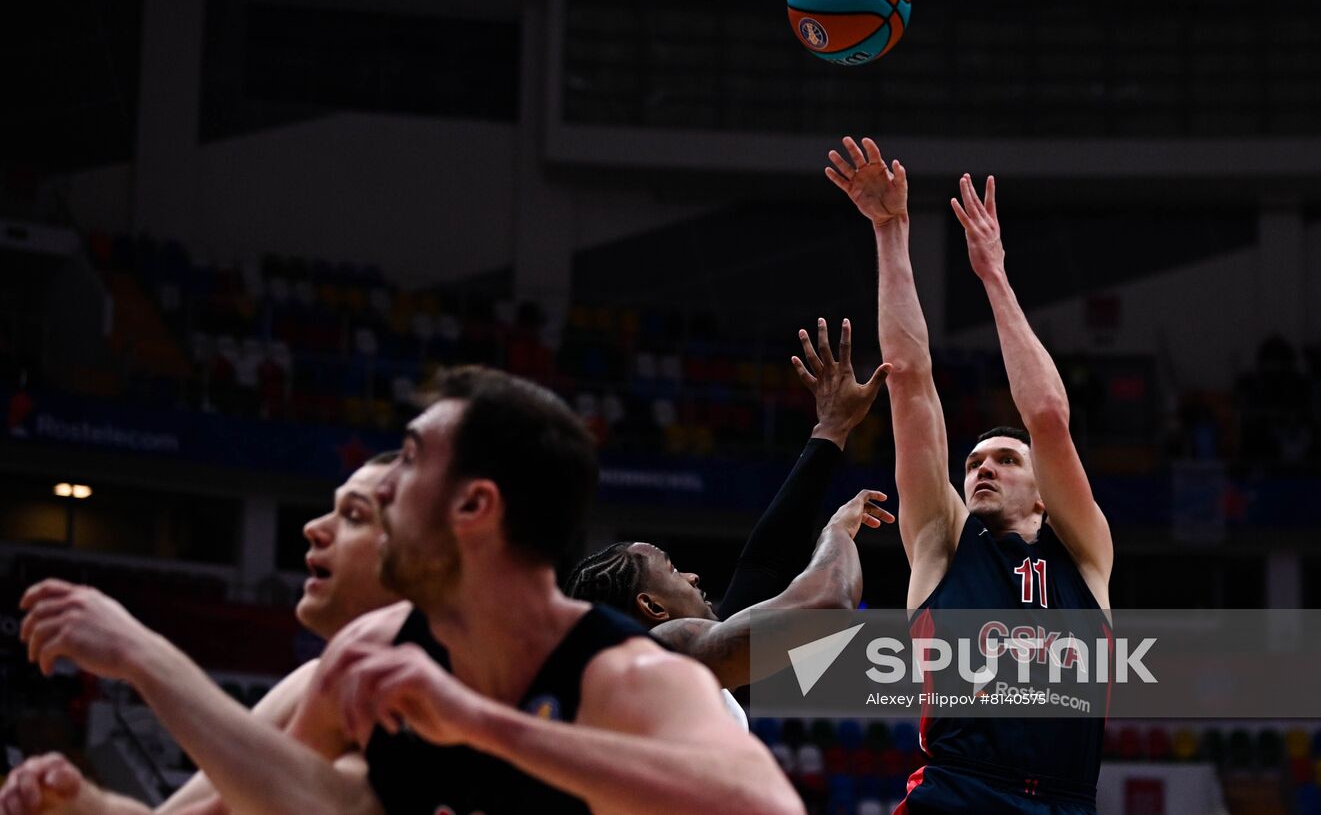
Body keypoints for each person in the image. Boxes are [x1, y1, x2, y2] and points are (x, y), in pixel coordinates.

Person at [25, 366, 801, 815]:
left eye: (405, 459)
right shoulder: (372, 657)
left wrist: (480, 722)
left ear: (475, 505)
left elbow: (765, 805)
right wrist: (142, 663)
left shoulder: (626, 668)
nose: (383, 484)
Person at [826, 137, 1114, 814]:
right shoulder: (943, 542)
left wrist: (993, 272)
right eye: (974, 462)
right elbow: (911, 383)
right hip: (958, 792)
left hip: (1068, 802)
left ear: (1043, 490)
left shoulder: (1085, 552)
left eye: (1004, 460)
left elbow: (1045, 413)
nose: (983, 466)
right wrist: (891, 232)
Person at [6, 453, 403, 815]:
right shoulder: (316, 681)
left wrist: (140, 653)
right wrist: (88, 806)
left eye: (354, 515)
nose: (313, 528)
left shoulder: (436, 697)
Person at [565, 318, 894, 692]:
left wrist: (832, 429)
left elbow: (763, 564)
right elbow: (827, 606)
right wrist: (838, 533)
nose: (692, 577)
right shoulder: (669, 645)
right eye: (672, 571)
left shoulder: (653, 668)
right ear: (653, 608)